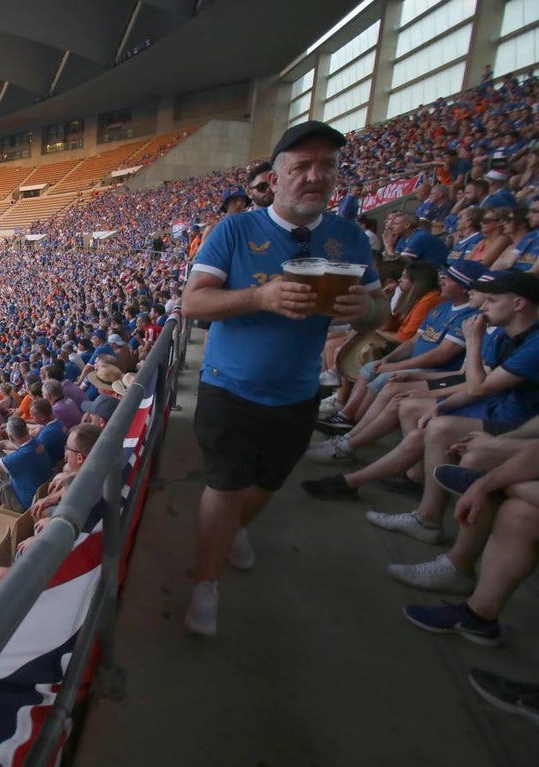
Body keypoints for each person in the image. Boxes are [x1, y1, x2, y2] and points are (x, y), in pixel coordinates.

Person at [180, 120, 386, 636]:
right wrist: (259, 296)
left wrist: (364, 310)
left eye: (326, 166)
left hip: (297, 390)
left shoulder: (348, 237)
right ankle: (206, 583)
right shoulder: (234, 230)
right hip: (229, 385)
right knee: (224, 485)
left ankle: (234, 532)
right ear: (275, 179)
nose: (315, 176)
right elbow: (193, 303)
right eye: (302, 166)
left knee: (267, 483)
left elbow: (380, 311)